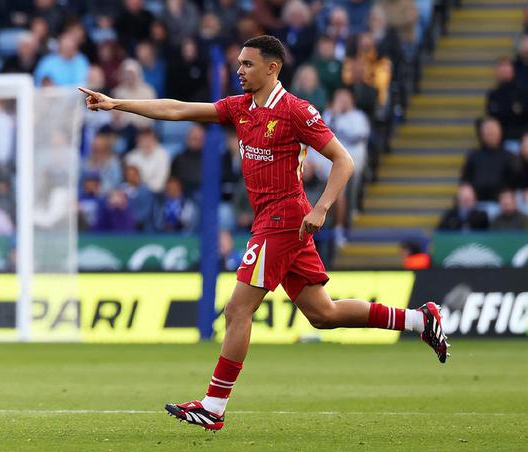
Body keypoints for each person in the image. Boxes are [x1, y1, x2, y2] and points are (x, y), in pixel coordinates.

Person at [79, 35, 449, 431]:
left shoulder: (296, 111)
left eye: (247, 64)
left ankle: (213, 406)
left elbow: (344, 160)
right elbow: (179, 108)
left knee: (238, 310)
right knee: (322, 314)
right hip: (274, 220)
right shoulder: (241, 107)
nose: (239, 70)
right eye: (239, 63)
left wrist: (322, 207)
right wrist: (117, 103)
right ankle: (419, 320)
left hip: (284, 218)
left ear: (272, 68)